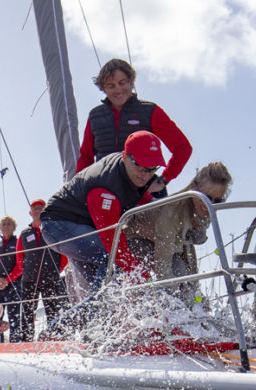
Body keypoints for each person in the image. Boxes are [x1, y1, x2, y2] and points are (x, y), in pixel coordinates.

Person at [40, 130, 166, 294]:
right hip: (58, 226)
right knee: (112, 257)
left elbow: (135, 196)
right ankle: (99, 311)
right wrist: (142, 275)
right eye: (140, 167)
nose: (145, 175)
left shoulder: (128, 171)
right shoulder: (105, 190)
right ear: (125, 157)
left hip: (85, 225)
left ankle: (102, 316)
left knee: (103, 288)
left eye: (151, 169)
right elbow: (113, 243)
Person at [76, 58, 192, 192]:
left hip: (141, 190)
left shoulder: (150, 111)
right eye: (111, 86)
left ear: (131, 83)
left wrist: (164, 180)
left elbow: (183, 148)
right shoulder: (95, 116)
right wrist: (80, 187)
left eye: (122, 83)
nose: (118, 90)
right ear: (103, 88)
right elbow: (85, 157)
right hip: (105, 189)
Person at [127, 162, 234, 303]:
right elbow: (163, 261)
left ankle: (196, 306)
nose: (210, 204)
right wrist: (173, 301)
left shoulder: (205, 208)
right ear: (193, 188)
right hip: (135, 239)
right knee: (179, 269)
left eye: (218, 200)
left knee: (190, 282)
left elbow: (191, 243)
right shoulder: (173, 210)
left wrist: (194, 294)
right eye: (206, 198)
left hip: (171, 243)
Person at [15, 199, 70, 341]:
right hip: (29, 279)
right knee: (27, 312)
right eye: (35, 209)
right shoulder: (24, 234)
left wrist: (56, 270)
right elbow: (19, 256)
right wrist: (27, 271)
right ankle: (26, 340)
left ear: (45, 210)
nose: (38, 211)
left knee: (53, 310)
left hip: (50, 277)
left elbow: (63, 254)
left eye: (40, 208)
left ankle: (55, 337)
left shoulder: (53, 230)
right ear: (30, 213)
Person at [0, 216, 22, 342]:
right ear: (0, 227)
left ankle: (15, 343)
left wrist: (7, 280)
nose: (6, 226)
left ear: (14, 227)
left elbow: (20, 265)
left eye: (9, 224)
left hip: (14, 284)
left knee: (15, 317)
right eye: (4, 224)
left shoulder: (18, 243)